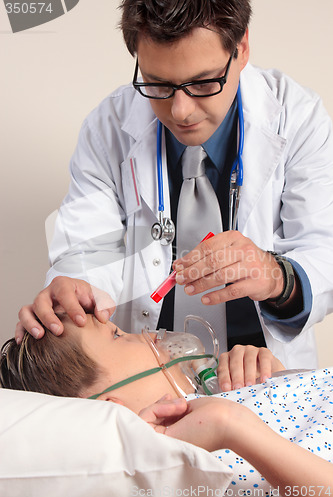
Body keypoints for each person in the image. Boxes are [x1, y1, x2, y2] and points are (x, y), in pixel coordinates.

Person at [16, 0, 333, 368]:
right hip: (149, 371)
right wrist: (73, 290)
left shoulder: (298, 118)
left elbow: (323, 250)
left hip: (259, 369)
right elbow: (87, 253)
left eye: (203, 82)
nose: (180, 111)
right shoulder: (108, 127)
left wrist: (277, 276)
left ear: (241, 48)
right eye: (158, 84)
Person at [2, 314, 333, 497]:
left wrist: (279, 377)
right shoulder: (188, 461)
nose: (149, 335)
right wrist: (231, 424)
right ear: (110, 406)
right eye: (119, 336)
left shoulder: (222, 396)